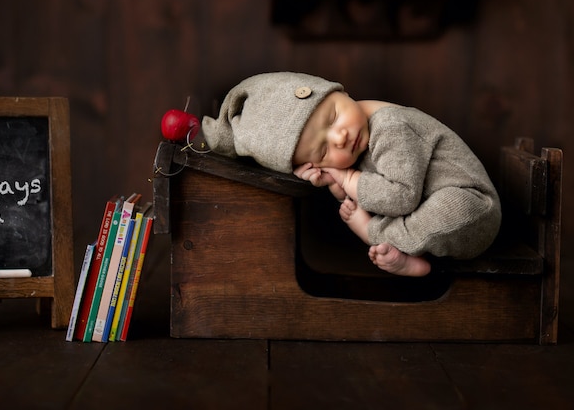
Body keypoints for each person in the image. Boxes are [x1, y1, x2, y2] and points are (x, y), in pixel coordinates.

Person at [202, 72, 501, 277]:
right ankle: (419, 263)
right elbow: (372, 197)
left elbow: (399, 198)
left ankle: (373, 235)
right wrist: (333, 182)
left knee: (451, 207)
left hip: (473, 207)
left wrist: (348, 183)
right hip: (424, 217)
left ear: (340, 92)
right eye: (322, 152)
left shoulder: (391, 125)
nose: (340, 137)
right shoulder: (356, 145)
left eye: (332, 118)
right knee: (396, 213)